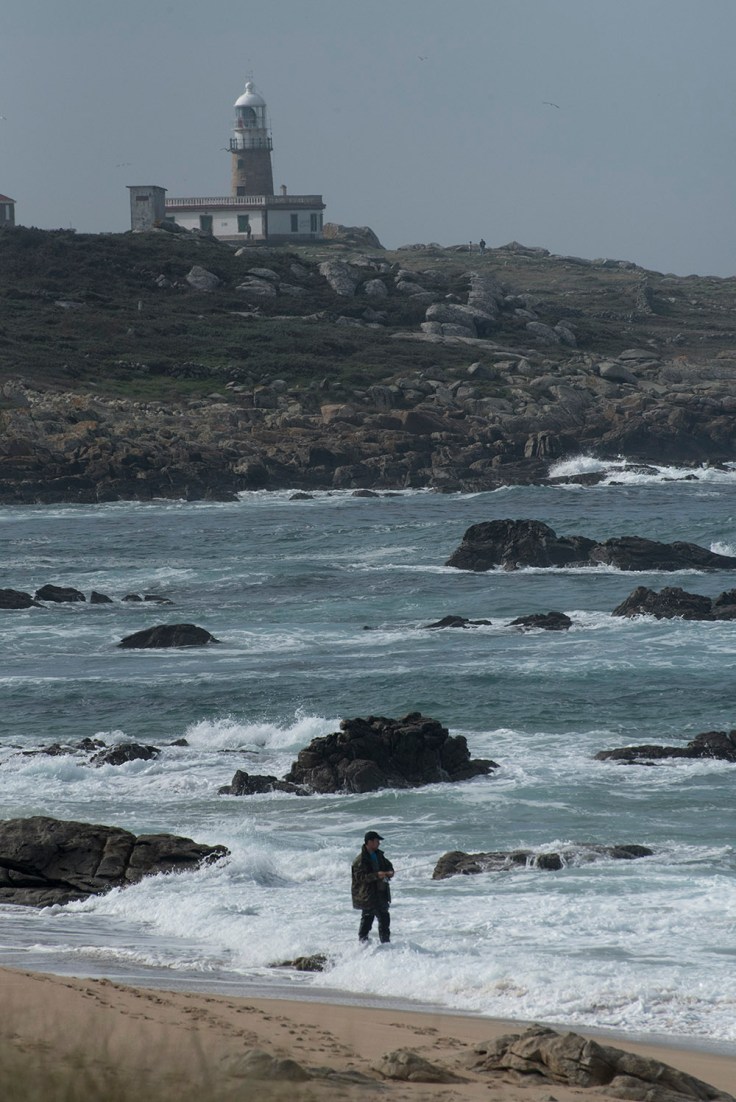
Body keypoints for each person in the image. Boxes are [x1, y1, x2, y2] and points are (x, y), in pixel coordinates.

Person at [351, 830, 394, 943]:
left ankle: (386, 946)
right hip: (368, 896)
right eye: (377, 841)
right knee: (367, 921)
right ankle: (362, 947)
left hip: (381, 893)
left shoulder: (379, 855)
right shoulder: (360, 860)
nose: (379, 843)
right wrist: (376, 875)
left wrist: (390, 871)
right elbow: (360, 878)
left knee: (385, 920)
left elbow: (388, 865)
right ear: (369, 842)